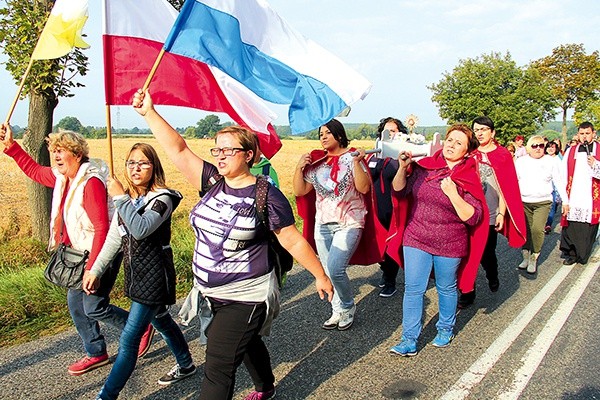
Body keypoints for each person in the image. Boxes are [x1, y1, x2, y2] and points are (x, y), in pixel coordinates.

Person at [132, 89, 333, 400]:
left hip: (248, 293)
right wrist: (149, 113)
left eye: (229, 150)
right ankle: (266, 387)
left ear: (248, 155)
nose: (221, 155)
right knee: (247, 341)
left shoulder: (266, 195)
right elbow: (179, 150)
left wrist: (320, 274)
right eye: (217, 150)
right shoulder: (212, 182)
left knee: (218, 362)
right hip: (212, 292)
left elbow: (291, 238)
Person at [0, 123, 142, 376]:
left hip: (102, 252)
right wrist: (11, 147)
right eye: (53, 150)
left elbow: (101, 228)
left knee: (94, 306)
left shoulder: (91, 183)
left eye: (61, 150)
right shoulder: (64, 177)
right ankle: (97, 352)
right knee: (77, 305)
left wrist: (93, 270)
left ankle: (139, 327)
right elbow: (34, 171)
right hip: (80, 251)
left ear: (77, 155)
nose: (55, 155)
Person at [86, 143, 195, 399]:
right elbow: (115, 237)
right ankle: (186, 363)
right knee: (162, 320)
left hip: (155, 274)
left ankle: (106, 395)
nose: (135, 168)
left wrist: (119, 197)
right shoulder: (131, 199)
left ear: (154, 167)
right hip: (136, 273)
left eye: (143, 163)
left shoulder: (163, 198)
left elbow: (141, 229)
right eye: (131, 163)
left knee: (129, 340)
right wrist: (96, 270)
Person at [388, 124, 487, 356]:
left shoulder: (468, 176)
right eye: (450, 140)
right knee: (413, 289)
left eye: (458, 143)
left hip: (450, 243)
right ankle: (409, 339)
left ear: (468, 150)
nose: (451, 145)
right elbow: (399, 191)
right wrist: (402, 169)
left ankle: (445, 327)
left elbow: (473, 217)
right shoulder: (426, 167)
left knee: (446, 287)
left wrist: (453, 193)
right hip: (416, 237)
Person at [293, 119, 372, 330]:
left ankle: (348, 306)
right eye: (320, 134)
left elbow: (364, 189)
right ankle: (337, 310)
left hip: (350, 222)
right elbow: (301, 191)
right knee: (327, 271)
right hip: (323, 224)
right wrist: (299, 168)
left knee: (336, 268)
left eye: (328, 132)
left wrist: (356, 163)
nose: (323, 137)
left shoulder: (353, 157)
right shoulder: (318, 163)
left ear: (339, 134)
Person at [460, 117, 526, 307]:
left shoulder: (502, 155)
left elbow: (507, 188)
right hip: (468, 212)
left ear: (492, 132)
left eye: (483, 129)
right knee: (465, 253)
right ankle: (467, 292)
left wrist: (501, 214)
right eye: (476, 130)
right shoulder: (468, 153)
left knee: (486, 253)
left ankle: (492, 274)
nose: (479, 133)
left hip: (490, 213)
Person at [515, 136, 566, 274]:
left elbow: (559, 181)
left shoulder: (551, 161)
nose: (538, 148)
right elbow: (513, 182)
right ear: (529, 148)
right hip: (524, 201)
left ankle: (534, 256)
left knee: (537, 229)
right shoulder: (521, 162)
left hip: (543, 202)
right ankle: (525, 256)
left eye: (541, 146)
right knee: (525, 231)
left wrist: (566, 201)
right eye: (534, 146)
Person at [370, 117, 407, 297]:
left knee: (391, 243)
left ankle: (390, 280)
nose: (389, 134)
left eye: (393, 131)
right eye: (386, 130)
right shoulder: (373, 154)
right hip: (374, 209)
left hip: (393, 209)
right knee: (377, 245)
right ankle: (385, 270)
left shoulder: (403, 156)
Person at [559, 122, 600, 265]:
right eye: (581, 134)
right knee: (572, 226)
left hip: (590, 197)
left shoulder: (599, 150)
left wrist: (596, 164)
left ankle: (583, 254)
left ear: (593, 134)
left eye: (587, 133)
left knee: (587, 228)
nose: (584, 137)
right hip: (574, 194)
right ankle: (571, 254)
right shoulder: (571, 151)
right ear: (578, 135)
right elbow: (563, 173)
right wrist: (564, 198)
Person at [544, 141, 563, 234]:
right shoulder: (543, 158)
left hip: (555, 186)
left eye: (553, 147)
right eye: (549, 147)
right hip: (544, 185)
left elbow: (561, 174)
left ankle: (548, 223)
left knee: (553, 205)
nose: (551, 149)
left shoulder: (558, 160)